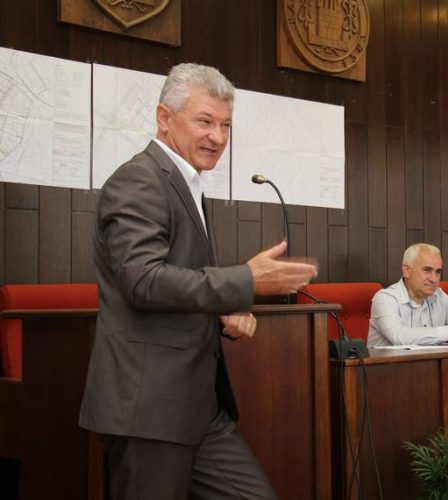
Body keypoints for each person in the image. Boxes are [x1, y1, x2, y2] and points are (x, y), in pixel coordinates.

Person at [79, 63, 318, 500]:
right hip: (148, 407)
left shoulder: (188, 184)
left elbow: (179, 280)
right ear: (164, 117)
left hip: (199, 406)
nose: (218, 137)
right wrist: (246, 280)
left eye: (226, 125)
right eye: (205, 121)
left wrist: (225, 308)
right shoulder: (139, 179)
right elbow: (142, 280)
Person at [367, 243, 448, 347]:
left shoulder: (440, 296)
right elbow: (399, 336)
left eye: (438, 272)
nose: (434, 279)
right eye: (427, 270)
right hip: (388, 369)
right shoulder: (385, 298)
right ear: (407, 270)